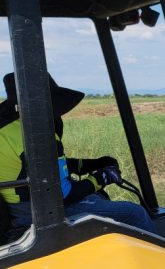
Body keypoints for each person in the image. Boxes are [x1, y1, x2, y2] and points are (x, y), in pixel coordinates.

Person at [0, 73, 155, 233]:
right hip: (35, 212)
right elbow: (65, 194)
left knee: (97, 198)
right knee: (135, 214)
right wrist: (102, 178)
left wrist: (91, 164)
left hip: (14, 208)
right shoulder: (38, 136)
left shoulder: (8, 129)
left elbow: (36, 168)